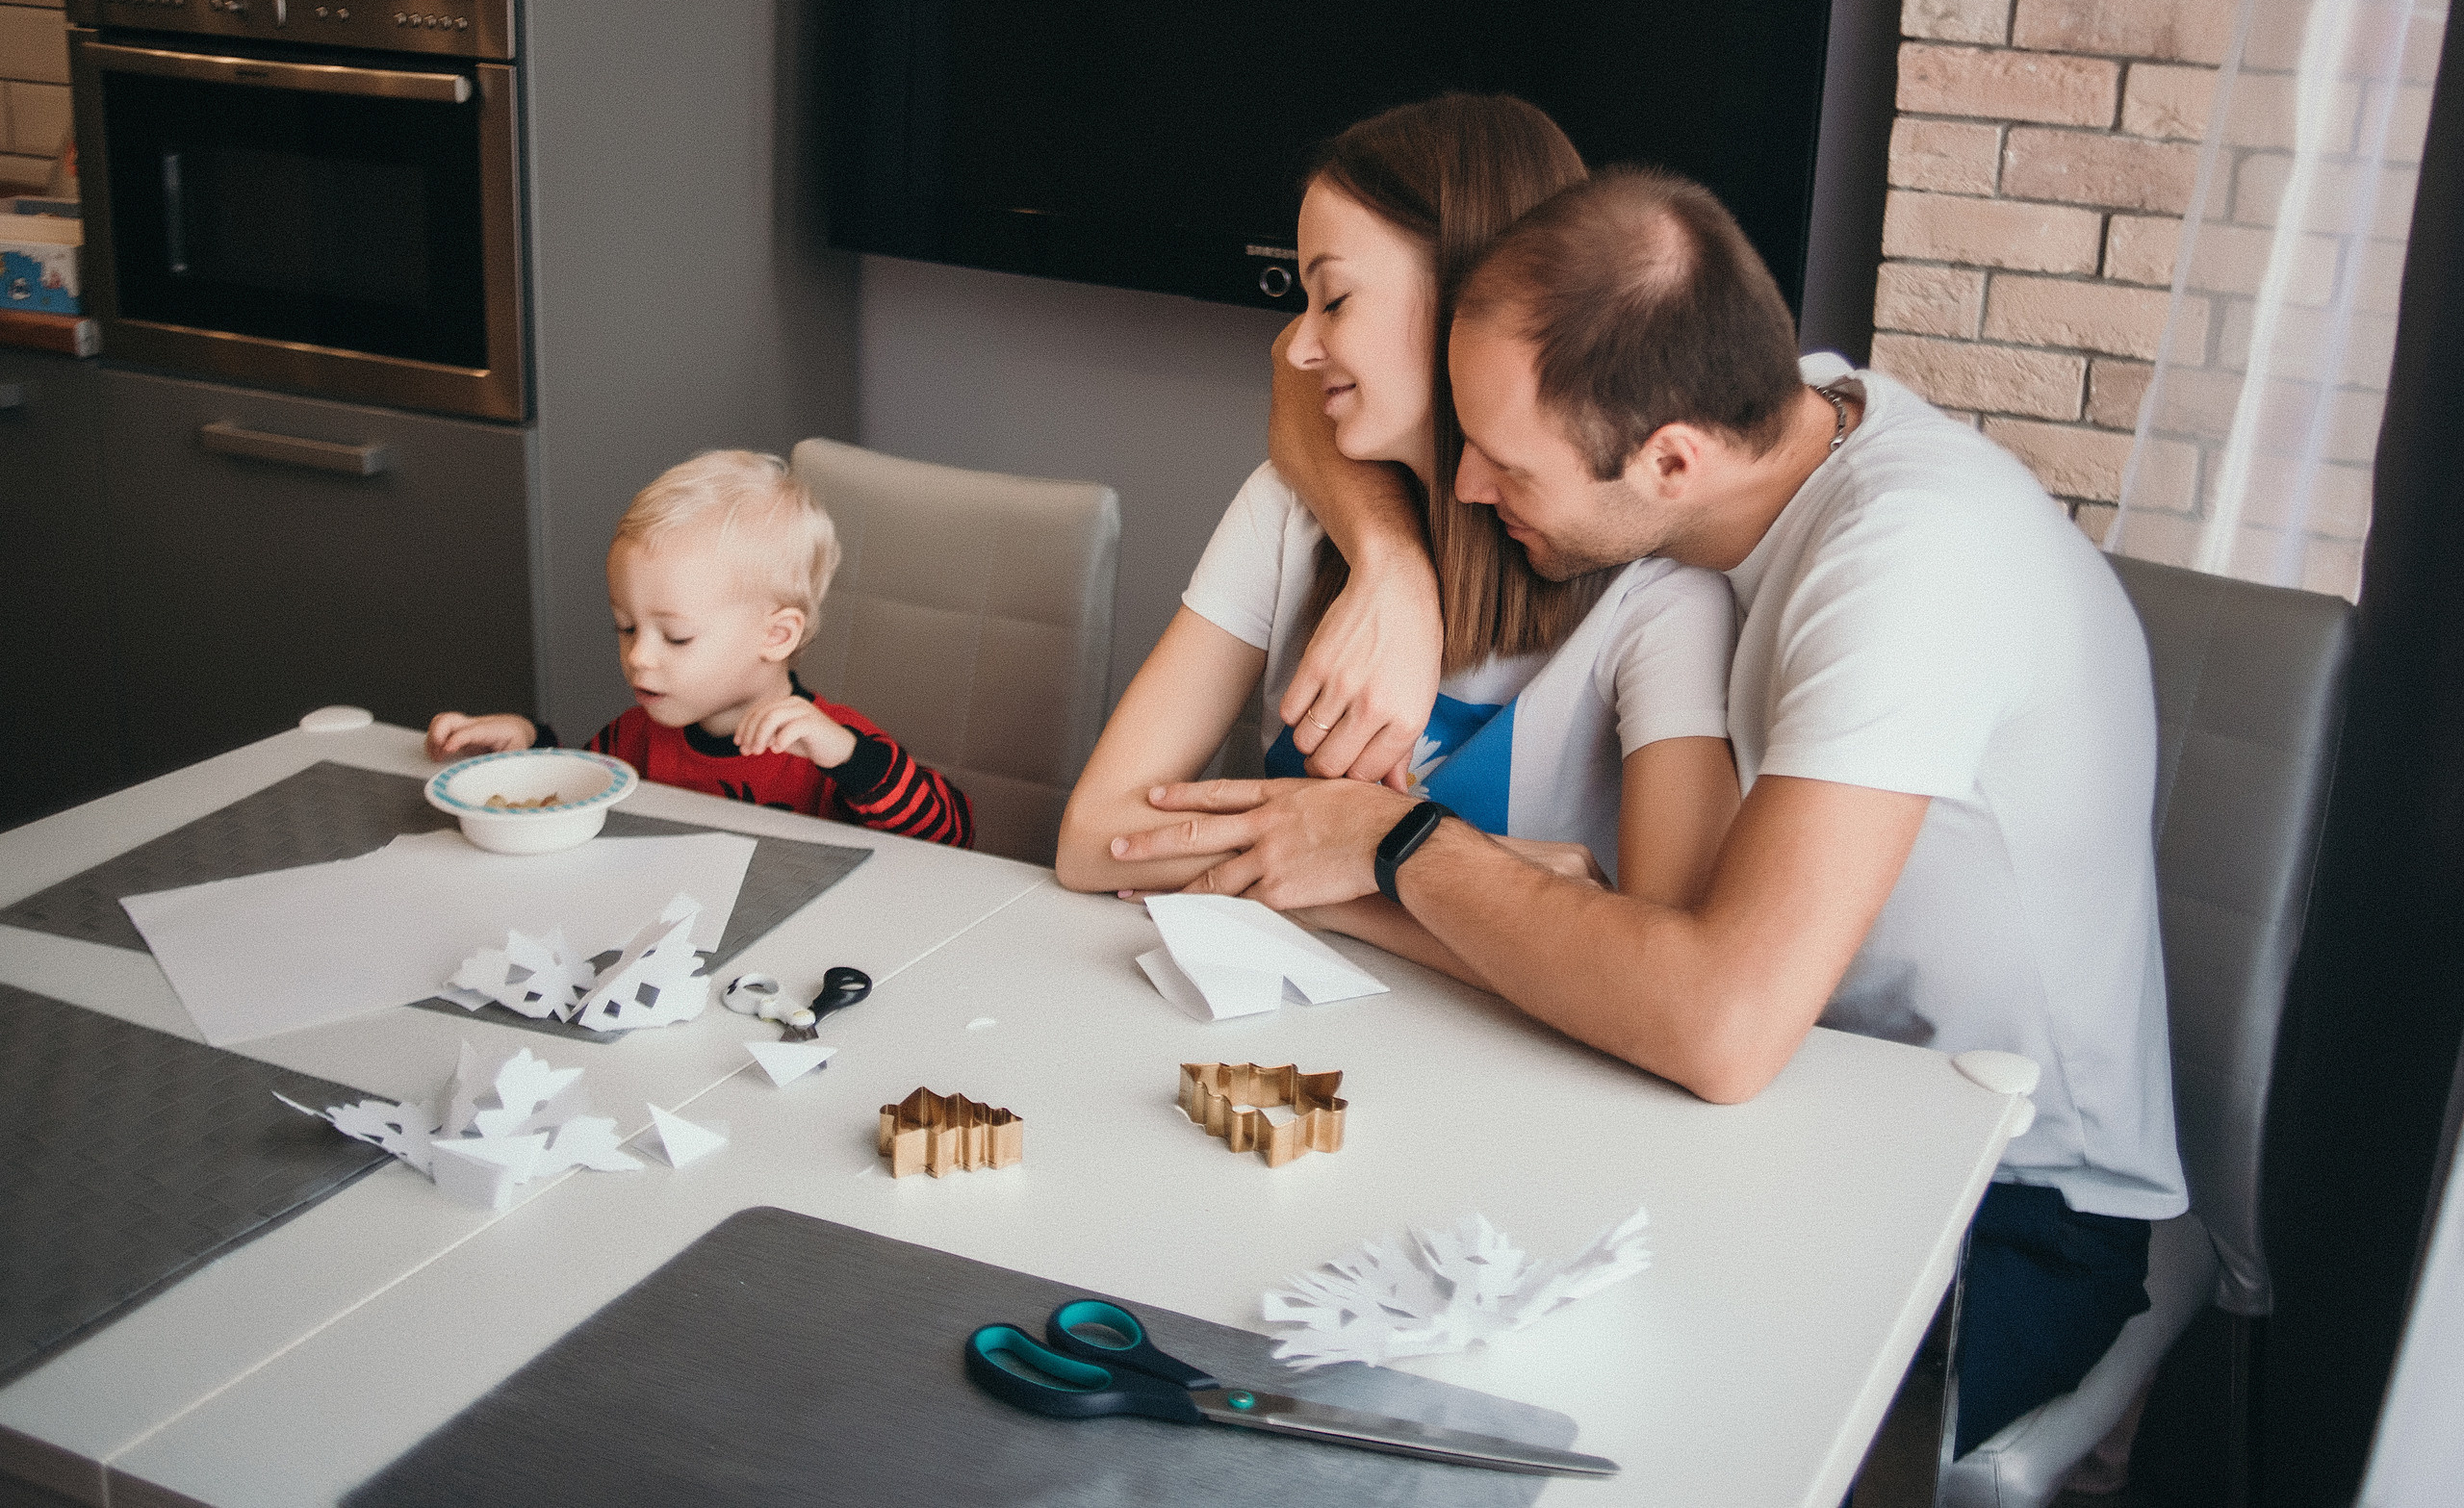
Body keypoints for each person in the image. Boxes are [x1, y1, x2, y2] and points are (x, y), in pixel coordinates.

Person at [1112, 166, 2188, 1455]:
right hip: (1776, 1121)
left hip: (1998, 1199)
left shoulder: (1909, 563)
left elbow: (1721, 1026)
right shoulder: (1738, 390)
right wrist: (1387, 558)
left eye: (1504, 465)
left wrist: (1390, 842)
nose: (1465, 489)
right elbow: (1315, 373)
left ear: (1671, 460)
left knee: (1514, 1411)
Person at [1056, 95, 1741, 967]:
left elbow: (1654, 964)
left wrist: (1356, 855)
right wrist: (1476, 888)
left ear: (1471, 296)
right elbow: (1096, 835)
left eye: (1335, 298)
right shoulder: (1287, 512)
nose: (1302, 347)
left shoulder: (1659, 600)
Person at [426, 448, 973, 846]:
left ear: (775, 635)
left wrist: (849, 758)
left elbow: (952, 834)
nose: (639, 657)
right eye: (626, 627)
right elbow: (575, 795)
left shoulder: (827, 746)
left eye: (677, 636)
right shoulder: (635, 738)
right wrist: (526, 749)